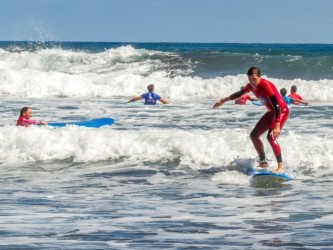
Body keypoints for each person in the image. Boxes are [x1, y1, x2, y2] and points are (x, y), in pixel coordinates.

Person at [213, 67, 289, 173]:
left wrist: (277, 125)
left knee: (271, 137)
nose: (252, 81)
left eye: (254, 78)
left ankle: (280, 166)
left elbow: (277, 106)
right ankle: (263, 162)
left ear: (259, 77)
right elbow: (239, 94)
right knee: (254, 135)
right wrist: (223, 100)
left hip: (281, 111)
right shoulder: (250, 86)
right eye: (250, 79)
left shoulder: (266, 85)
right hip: (271, 112)